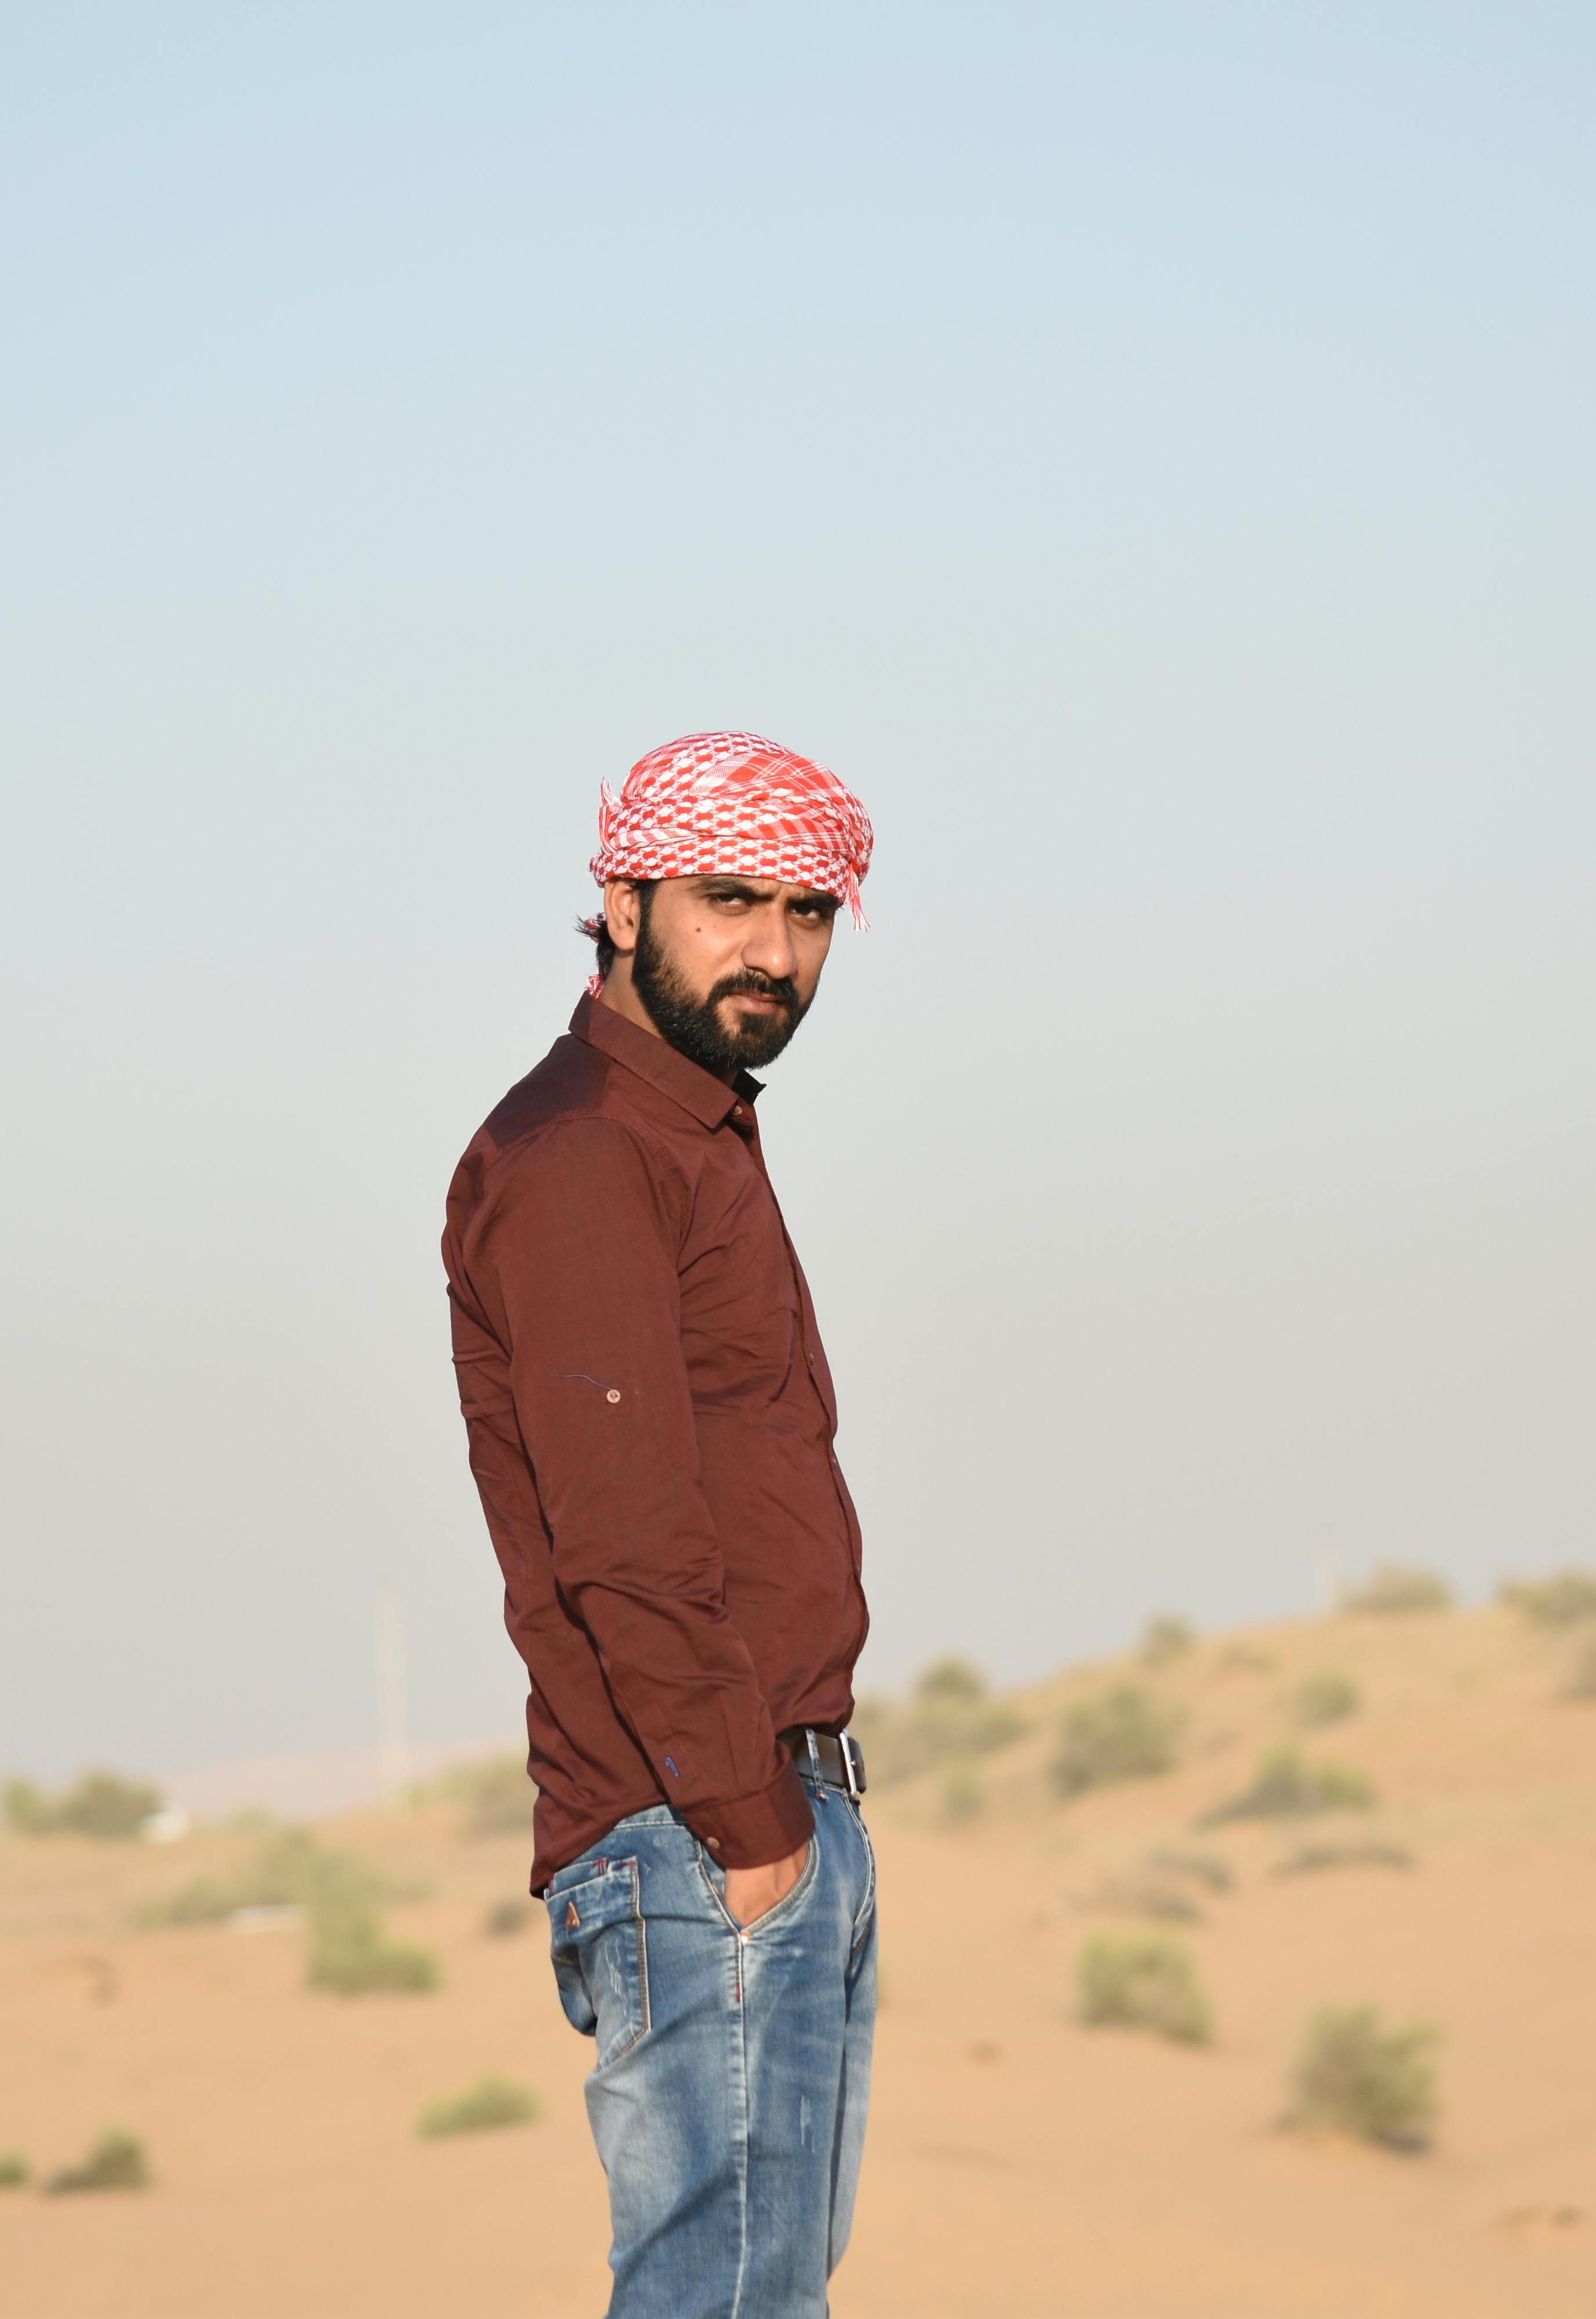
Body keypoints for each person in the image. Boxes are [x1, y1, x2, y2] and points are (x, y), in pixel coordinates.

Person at [441, 732, 881, 2318]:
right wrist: (750, 1822)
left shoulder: (685, 1135)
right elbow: (621, 1535)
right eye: (730, 901)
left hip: (755, 1811)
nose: (774, 951)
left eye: (809, 914)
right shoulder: (582, 1156)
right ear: (623, 905)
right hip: (700, 1825)